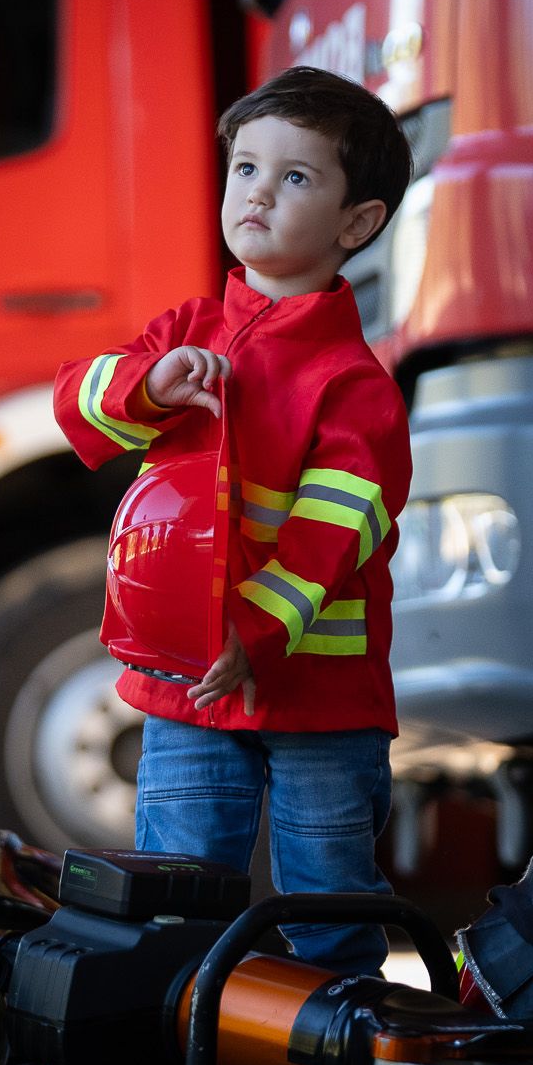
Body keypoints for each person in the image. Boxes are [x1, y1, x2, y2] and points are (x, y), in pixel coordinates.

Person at [52, 65, 413, 977]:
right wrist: (146, 382)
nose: (258, 191)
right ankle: (183, 1039)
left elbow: (333, 536)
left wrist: (255, 631)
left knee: (330, 907)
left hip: (318, 704)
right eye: (246, 168)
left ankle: (337, 1041)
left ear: (356, 224)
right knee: (177, 901)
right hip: (189, 689)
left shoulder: (355, 385)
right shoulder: (185, 332)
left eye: (296, 177)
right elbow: (80, 407)